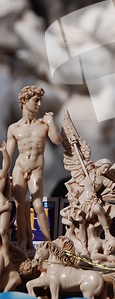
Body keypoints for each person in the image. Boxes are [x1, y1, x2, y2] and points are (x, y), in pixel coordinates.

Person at [6, 85, 62, 251]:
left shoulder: (43, 124)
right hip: (19, 167)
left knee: (37, 205)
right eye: (35, 100)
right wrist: (3, 173)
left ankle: (47, 242)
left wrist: (51, 122)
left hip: (36, 168)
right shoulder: (14, 128)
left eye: (40, 101)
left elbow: (57, 141)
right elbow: (8, 156)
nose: (39, 104)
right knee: (20, 205)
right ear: (24, 101)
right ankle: (24, 241)